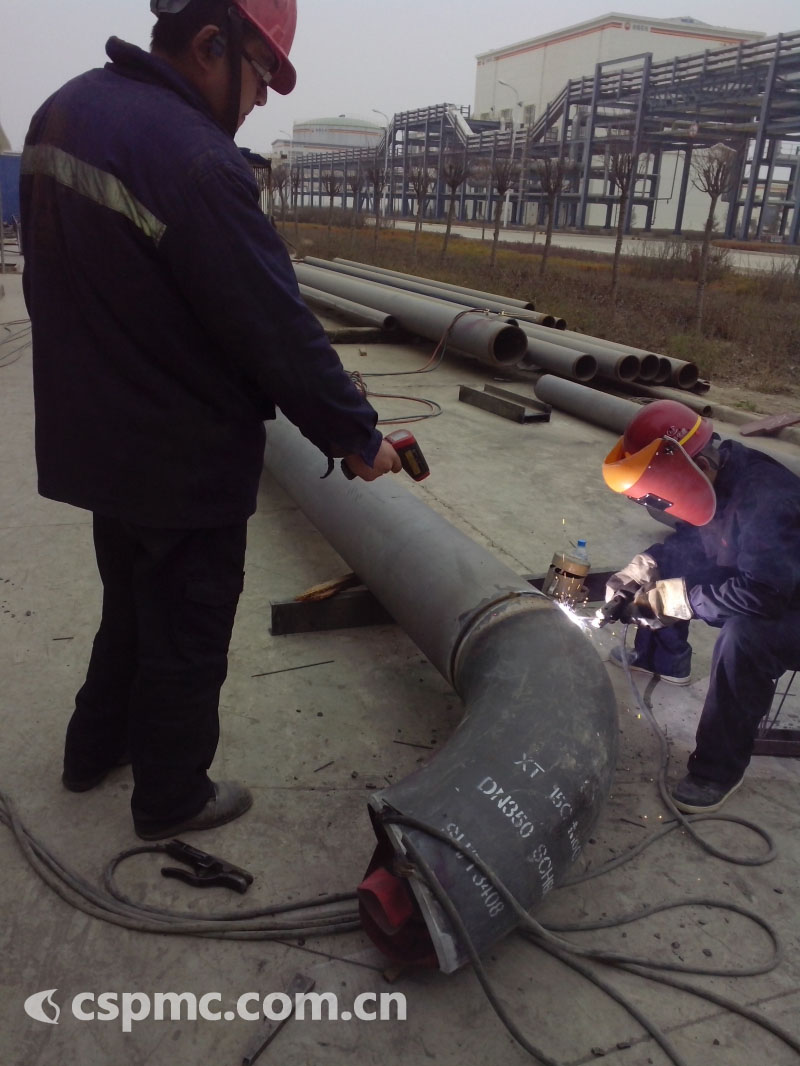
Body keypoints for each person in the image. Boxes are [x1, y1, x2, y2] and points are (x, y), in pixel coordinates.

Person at [20, 0, 401, 841]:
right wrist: (355, 433)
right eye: (262, 75)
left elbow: (50, 281)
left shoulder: (61, 111)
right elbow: (273, 324)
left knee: (131, 605)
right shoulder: (196, 160)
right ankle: (172, 799)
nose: (260, 99)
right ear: (208, 45)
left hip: (99, 438)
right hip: (182, 455)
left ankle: (93, 751)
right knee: (187, 630)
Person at [601, 399, 800, 814]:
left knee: (745, 638)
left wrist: (682, 601)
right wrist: (650, 563)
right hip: (770, 581)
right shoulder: (717, 479)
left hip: (786, 597)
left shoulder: (768, 499)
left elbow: (764, 593)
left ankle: (717, 770)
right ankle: (665, 660)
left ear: (700, 466)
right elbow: (698, 541)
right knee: (674, 566)